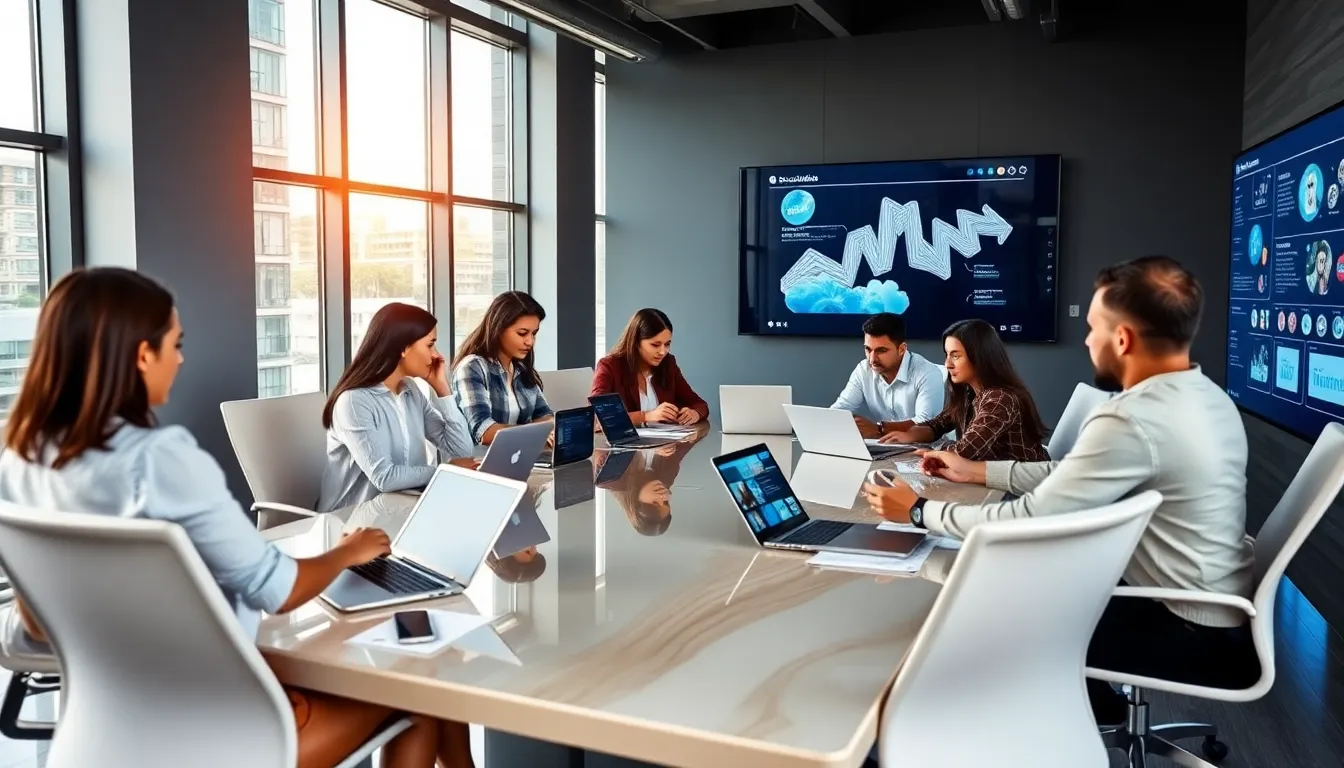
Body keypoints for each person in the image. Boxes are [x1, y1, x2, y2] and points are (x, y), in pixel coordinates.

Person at [0, 269, 471, 768]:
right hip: (223, 735)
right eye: (175, 344)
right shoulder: (162, 459)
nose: (180, 359)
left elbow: (31, 624)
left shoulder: (17, 461)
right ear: (143, 355)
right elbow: (276, 588)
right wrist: (348, 552)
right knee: (424, 690)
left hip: (98, 737)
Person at [860, 256, 1258, 724]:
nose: (1087, 340)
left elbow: (1030, 518)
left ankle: (939, 736)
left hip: (1185, 629)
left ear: (1123, 339)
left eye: (1092, 329)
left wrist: (918, 511)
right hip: (1211, 610)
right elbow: (1067, 474)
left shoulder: (1132, 419)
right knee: (1004, 583)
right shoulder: (1201, 396)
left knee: (975, 608)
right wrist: (977, 473)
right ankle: (1094, 709)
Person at [317, 302, 475, 515]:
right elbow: (385, 478)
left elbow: (462, 452)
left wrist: (443, 390)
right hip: (351, 524)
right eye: (430, 345)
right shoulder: (354, 401)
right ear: (403, 348)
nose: (436, 356)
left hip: (401, 512)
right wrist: (446, 471)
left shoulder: (410, 391)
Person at [877, 319, 1050, 463]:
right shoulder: (969, 393)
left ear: (980, 356)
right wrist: (909, 436)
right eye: (947, 354)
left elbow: (965, 451)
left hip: (1019, 491)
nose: (947, 364)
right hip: (990, 480)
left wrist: (928, 449)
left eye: (956, 356)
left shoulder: (999, 398)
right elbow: (937, 425)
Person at [452, 291, 553, 445]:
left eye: (534, 334)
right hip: (481, 463)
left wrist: (541, 429)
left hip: (521, 458)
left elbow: (546, 416)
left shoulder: (521, 369)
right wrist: (536, 432)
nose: (530, 342)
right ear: (498, 329)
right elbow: (485, 432)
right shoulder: (472, 368)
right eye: (522, 333)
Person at [831, 312, 944, 439]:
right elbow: (841, 408)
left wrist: (880, 429)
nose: (872, 359)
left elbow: (926, 424)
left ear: (902, 349)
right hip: (886, 447)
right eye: (868, 349)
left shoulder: (928, 373)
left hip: (925, 450)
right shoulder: (863, 369)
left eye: (881, 350)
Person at [591, 308, 708, 426]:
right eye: (655, 345)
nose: (663, 352)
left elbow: (699, 404)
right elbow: (598, 418)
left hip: (665, 442)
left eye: (667, 344)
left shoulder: (668, 364)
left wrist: (694, 413)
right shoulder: (609, 366)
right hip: (625, 443)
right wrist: (646, 416)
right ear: (636, 342)